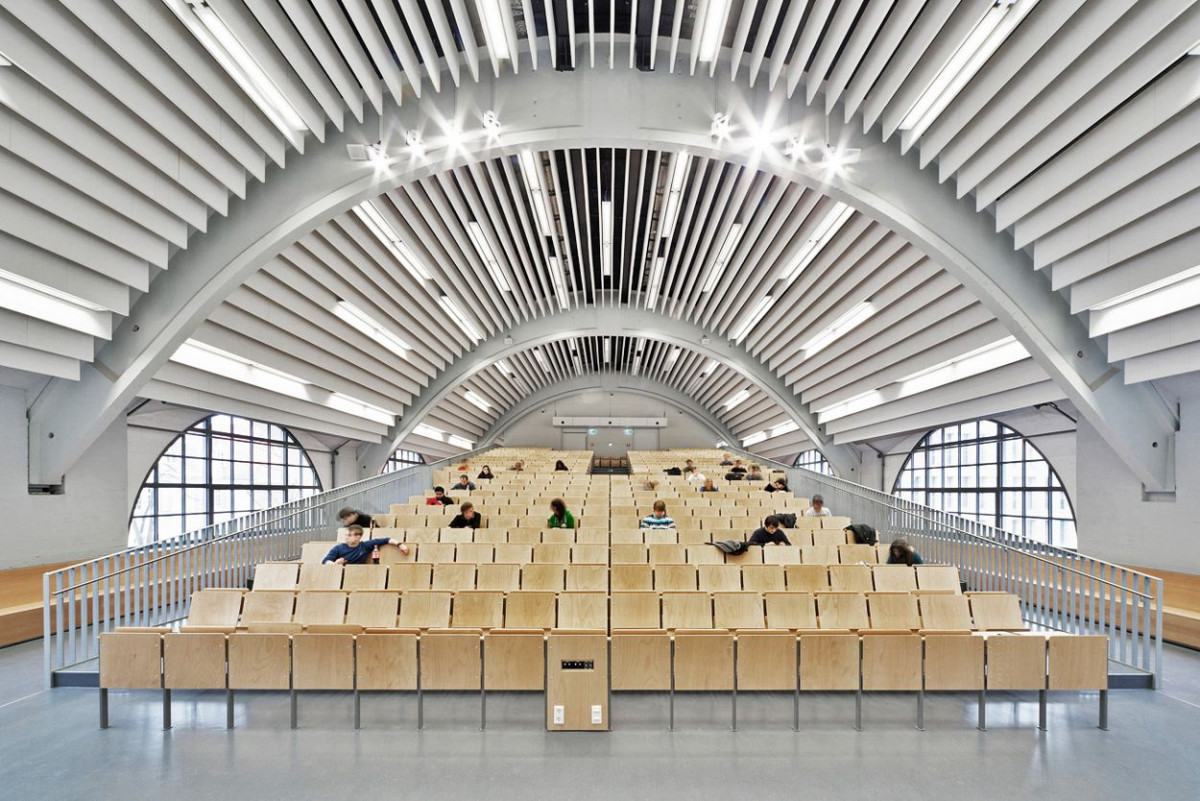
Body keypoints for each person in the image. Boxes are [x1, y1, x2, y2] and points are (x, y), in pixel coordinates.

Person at [323, 525, 408, 564]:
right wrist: (334, 564)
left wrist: (400, 545)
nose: (346, 537)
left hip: (360, 575)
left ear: (358, 537)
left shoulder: (365, 546)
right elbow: (325, 561)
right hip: (342, 574)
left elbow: (386, 539)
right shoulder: (338, 548)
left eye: (349, 535)